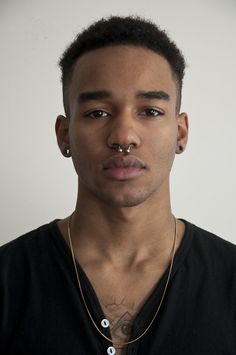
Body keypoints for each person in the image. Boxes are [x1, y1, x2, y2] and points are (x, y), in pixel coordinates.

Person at [0, 16, 236, 355]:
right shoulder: (8, 280)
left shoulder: (229, 280)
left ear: (180, 133)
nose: (124, 136)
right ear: (64, 135)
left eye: (151, 111)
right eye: (97, 113)